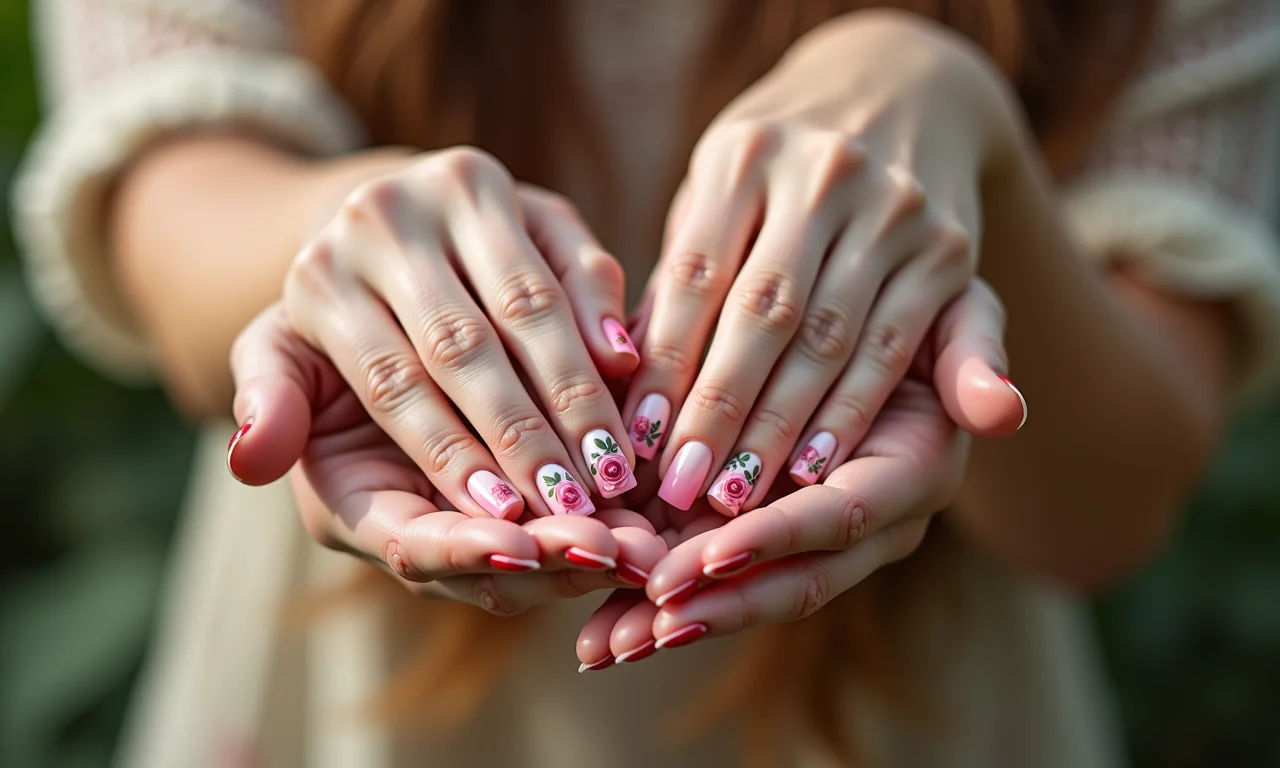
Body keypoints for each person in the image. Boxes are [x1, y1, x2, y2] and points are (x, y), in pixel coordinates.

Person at [13, 0, 1280, 765]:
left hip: (908, 712)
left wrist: (962, 127)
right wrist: (350, 244)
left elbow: (1109, 502)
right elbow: (167, 199)